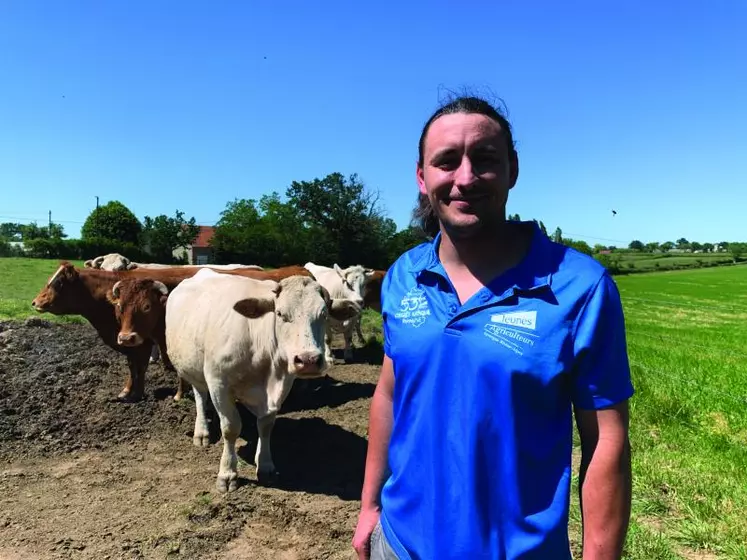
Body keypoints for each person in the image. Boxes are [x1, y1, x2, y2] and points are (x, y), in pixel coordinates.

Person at [352, 94, 634, 559]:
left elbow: (606, 438)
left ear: (512, 170)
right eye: (446, 161)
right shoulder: (403, 275)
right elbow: (388, 390)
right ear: (422, 177)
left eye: (484, 159)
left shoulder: (579, 287)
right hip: (399, 546)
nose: (465, 178)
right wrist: (368, 506)